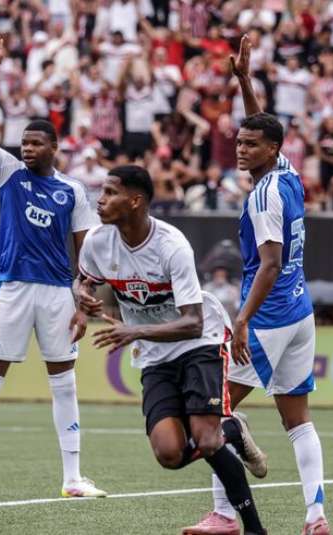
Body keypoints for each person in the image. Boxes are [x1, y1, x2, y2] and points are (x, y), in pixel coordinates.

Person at [0, 35, 105, 499]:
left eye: (36, 143)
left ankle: (73, 479)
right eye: (24, 143)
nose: (27, 149)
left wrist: (85, 291)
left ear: (55, 146)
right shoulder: (8, 173)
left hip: (57, 294)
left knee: (64, 386)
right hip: (13, 288)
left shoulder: (73, 191)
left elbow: (86, 251)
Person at [75, 165, 267, 535]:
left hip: (199, 342)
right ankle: (233, 429)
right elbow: (84, 281)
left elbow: (192, 321)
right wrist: (81, 297)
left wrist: (135, 330)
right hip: (155, 353)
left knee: (207, 440)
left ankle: (255, 528)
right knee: (169, 455)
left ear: (135, 201)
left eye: (110, 192)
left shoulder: (171, 245)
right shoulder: (98, 243)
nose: (100, 199)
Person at [188, 35, 330, 535]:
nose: (241, 149)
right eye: (239, 142)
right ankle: (316, 517)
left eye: (251, 145)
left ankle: (225, 515)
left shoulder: (264, 197)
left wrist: (242, 320)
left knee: (209, 413)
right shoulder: (287, 174)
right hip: (299, 309)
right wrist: (246, 81)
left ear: (271, 149)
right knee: (300, 422)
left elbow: (269, 263)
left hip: (267, 317)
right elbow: (264, 125)